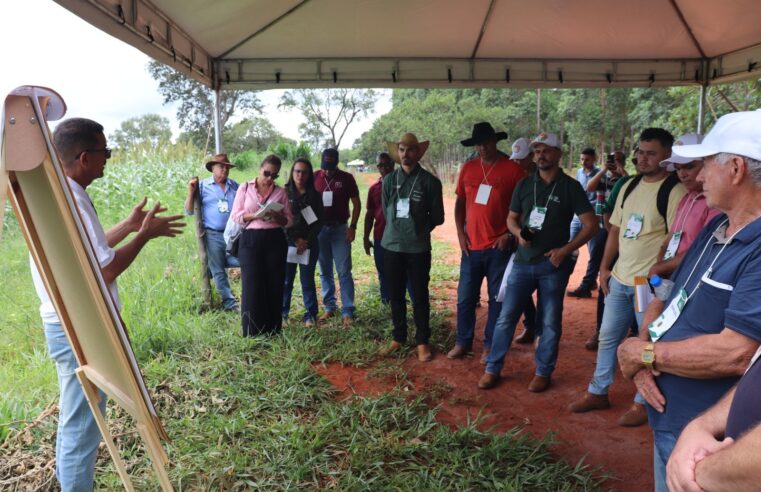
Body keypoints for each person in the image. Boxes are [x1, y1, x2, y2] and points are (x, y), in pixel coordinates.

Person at [31, 118, 185, 491]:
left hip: (70, 322)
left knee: (81, 420)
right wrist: (144, 237)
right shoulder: (70, 198)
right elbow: (103, 270)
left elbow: (88, 251)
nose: (108, 160)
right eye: (105, 152)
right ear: (84, 157)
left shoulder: (65, 193)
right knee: (82, 426)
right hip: (75, 326)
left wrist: (128, 227)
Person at [615, 110, 761, 491]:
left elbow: (737, 352)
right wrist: (645, 342)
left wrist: (644, 355)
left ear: (736, 169)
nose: (697, 175)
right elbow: (668, 294)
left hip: (705, 439)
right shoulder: (717, 224)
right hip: (671, 415)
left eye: (708, 163)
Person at [569, 128, 686, 427]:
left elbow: (672, 239)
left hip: (645, 285)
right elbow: (615, 231)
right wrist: (605, 269)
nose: (642, 158)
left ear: (667, 156)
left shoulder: (674, 191)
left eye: (651, 153)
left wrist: (656, 275)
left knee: (645, 342)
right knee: (608, 336)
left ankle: (642, 401)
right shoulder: (628, 185)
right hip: (620, 278)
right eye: (640, 151)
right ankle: (598, 390)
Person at [479, 132, 598, 391]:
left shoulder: (570, 187)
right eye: (536, 152)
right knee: (505, 318)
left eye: (545, 151)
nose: (540, 156)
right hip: (522, 263)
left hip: (551, 266)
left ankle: (543, 371)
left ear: (558, 154)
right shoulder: (524, 184)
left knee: (550, 321)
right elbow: (512, 218)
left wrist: (565, 250)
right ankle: (493, 368)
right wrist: (518, 233)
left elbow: (592, 225)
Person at [447, 122, 526, 363]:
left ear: (495, 142)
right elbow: (460, 203)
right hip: (471, 247)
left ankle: (491, 345)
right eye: (478, 144)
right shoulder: (469, 168)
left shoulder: (512, 170)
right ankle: (463, 342)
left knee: (496, 299)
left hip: (498, 248)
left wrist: (511, 234)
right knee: (465, 298)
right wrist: (461, 235)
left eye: (486, 143)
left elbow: (524, 206)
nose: (482, 147)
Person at [378, 133, 445, 362]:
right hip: (391, 247)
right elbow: (387, 211)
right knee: (395, 295)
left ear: (418, 153)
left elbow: (437, 217)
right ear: (399, 152)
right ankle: (399, 337)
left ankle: (422, 342)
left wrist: (417, 230)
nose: (406, 154)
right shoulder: (388, 181)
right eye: (402, 149)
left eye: (411, 150)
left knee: (419, 296)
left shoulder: (430, 182)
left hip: (418, 249)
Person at [231, 154, 292, 336]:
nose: (269, 178)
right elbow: (236, 215)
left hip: (274, 239)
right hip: (250, 238)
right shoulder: (244, 188)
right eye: (267, 173)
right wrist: (255, 215)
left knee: (275, 282)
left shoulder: (281, 193)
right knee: (252, 284)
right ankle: (251, 331)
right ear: (260, 169)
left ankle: (273, 329)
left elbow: (288, 221)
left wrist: (277, 217)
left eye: (274, 175)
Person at [648, 134, 720, 279]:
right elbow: (670, 238)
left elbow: (704, 248)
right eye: (677, 168)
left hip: (691, 279)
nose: (682, 174)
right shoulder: (686, 198)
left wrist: (661, 267)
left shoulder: (715, 203)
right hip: (671, 278)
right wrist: (661, 263)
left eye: (689, 167)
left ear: (708, 164)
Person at [583, 150, 629, 350]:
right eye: (611, 160)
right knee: (601, 271)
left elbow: (630, 185)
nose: (614, 163)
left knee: (630, 280)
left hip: (623, 235)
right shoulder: (603, 179)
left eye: (618, 160)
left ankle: (632, 331)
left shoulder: (630, 182)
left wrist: (621, 170)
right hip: (603, 230)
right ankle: (600, 329)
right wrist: (603, 170)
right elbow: (589, 187)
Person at [184, 153, 240, 311]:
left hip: (234, 234)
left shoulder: (235, 186)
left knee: (240, 260)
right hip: (213, 234)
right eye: (221, 166)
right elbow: (189, 211)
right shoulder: (202, 186)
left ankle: (211, 267)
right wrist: (190, 191)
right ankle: (229, 303)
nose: (224, 170)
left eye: (227, 167)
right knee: (219, 269)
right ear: (212, 168)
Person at [313, 148, 361, 326]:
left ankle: (348, 309)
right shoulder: (314, 177)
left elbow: (357, 204)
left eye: (331, 167)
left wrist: (353, 227)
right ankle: (329, 307)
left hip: (340, 229)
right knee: (324, 270)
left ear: (337, 163)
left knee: (343, 270)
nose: (327, 171)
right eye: (325, 167)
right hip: (320, 230)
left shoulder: (346, 178)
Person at [282, 157, 323, 326]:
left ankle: (310, 315)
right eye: (297, 171)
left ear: (309, 175)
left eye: (304, 172)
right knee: (286, 280)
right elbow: (281, 221)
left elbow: (318, 222)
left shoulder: (314, 196)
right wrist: (296, 239)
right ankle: (282, 314)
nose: (300, 175)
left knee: (307, 281)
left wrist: (305, 241)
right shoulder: (283, 193)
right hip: (288, 243)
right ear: (292, 173)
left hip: (309, 244)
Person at [508, 137, 539, 344]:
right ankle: (531, 325)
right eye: (515, 159)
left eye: (521, 158)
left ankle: (541, 333)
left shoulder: (543, 177)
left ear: (531, 156)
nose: (517, 163)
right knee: (521, 287)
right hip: (517, 237)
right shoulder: (516, 177)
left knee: (545, 290)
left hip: (542, 242)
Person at [567, 148, 607, 298]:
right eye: (582, 159)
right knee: (571, 244)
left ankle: (589, 283)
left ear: (594, 159)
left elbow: (599, 192)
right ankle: (566, 276)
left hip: (593, 216)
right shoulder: (579, 172)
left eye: (587, 159)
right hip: (578, 215)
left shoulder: (601, 174)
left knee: (594, 250)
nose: (584, 162)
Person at [363, 152, 395, 303]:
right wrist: (365, 237)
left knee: (404, 271)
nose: (384, 168)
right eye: (380, 165)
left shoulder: (401, 183)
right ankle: (386, 301)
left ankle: (409, 301)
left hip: (399, 236)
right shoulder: (374, 188)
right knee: (382, 270)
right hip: (380, 235)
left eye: (387, 164)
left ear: (393, 164)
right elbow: (369, 215)